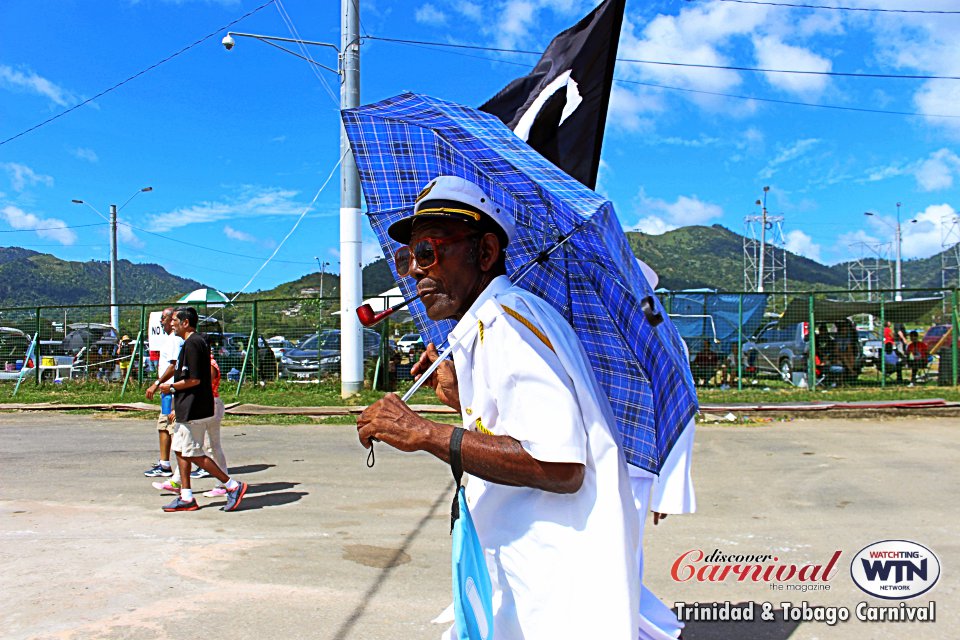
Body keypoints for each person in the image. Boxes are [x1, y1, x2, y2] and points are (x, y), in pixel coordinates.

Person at [356, 175, 639, 637]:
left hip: (550, 588)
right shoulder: (486, 324)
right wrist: (460, 400)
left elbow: (559, 465)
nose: (414, 272)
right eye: (408, 258)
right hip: (516, 570)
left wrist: (426, 433)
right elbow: (508, 423)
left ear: (485, 253)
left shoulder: (508, 323)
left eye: (428, 252)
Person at [158, 307, 247, 512]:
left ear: (185, 323)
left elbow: (195, 379)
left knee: (194, 453)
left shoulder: (193, 343)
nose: (171, 324)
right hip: (186, 407)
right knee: (180, 450)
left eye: (174, 320)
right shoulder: (190, 343)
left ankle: (232, 486)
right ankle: (186, 497)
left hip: (193, 408)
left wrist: (170, 387)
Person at [153, 336, 229, 497]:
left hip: (209, 406)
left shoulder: (209, 365)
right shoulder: (202, 363)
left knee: (209, 447)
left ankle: (224, 484)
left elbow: (200, 387)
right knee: (186, 446)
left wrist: (178, 400)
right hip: (203, 405)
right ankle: (177, 481)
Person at [143, 308, 183, 478]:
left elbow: (173, 366)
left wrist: (156, 383)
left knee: (173, 428)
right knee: (163, 427)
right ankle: (164, 464)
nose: (162, 321)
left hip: (171, 391)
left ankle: (184, 467)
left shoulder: (175, 341)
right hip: (166, 392)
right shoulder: (168, 340)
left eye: (164, 318)